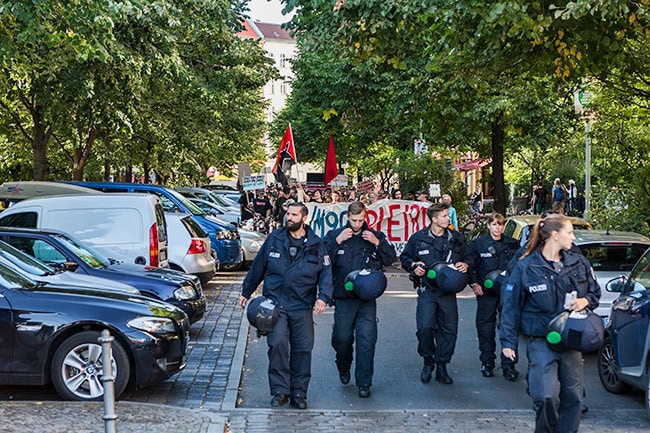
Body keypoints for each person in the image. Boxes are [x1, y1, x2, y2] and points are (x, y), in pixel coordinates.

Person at [500, 214, 600, 433]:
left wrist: (585, 301)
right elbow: (511, 305)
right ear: (555, 235)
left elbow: (594, 293)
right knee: (545, 396)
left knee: (574, 398)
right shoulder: (526, 266)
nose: (573, 237)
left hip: (571, 339)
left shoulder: (578, 262)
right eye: (570, 232)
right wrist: (508, 342)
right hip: (541, 340)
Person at [239, 202, 333, 410]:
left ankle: (299, 392)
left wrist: (323, 297)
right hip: (276, 304)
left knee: (303, 349)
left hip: (302, 305)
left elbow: (326, 273)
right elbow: (258, 266)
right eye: (287, 213)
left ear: (304, 218)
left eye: (294, 214)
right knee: (278, 345)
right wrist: (246, 292)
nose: (289, 217)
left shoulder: (316, 244)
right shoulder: (275, 239)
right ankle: (280, 391)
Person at [323, 202, 397, 398]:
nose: (357, 224)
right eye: (354, 220)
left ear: (366, 218)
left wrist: (377, 242)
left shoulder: (373, 235)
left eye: (361, 220)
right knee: (342, 338)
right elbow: (321, 258)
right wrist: (337, 241)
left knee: (367, 340)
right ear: (347, 217)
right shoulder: (335, 234)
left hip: (366, 298)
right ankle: (343, 365)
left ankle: (364, 382)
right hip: (343, 297)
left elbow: (391, 258)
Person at [400, 202, 474, 385]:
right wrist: (413, 266)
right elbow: (405, 257)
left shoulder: (456, 238)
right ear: (434, 219)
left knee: (449, 330)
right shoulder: (419, 238)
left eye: (448, 216)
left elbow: (470, 256)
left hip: (448, 292)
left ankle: (442, 364)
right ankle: (428, 361)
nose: (448, 219)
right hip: (428, 290)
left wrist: (466, 264)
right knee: (424, 327)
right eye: (444, 216)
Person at [469, 213, 520, 380]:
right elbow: (471, 265)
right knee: (485, 328)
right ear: (488, 226)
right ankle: (487, 362)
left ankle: (509, 365)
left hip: (507, 292)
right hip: (486, 292)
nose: (498, 228)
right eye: (494, 224)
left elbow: (519, 267)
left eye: (500, 224)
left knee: (509, 327)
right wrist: (474, 283)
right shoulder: (478, 244)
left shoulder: (512, 244)